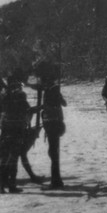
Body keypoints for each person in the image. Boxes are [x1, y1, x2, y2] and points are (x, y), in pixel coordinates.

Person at [0, 74, 36, 194]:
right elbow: (27, 110)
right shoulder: (20, 95)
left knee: (3, 158)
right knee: (13, 158)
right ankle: (12, 186)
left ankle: (1, 186)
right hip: (16, 129)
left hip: (4, 128)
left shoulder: (3, 95)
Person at [37, 62, 67, 190]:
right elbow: (64, 103)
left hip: (52, 123)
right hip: (56, 122)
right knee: (54, 151)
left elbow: (52, 105)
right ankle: (57, 179)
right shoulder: (54, 89)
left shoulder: (51, 90)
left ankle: (56, 181)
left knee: (53, 152)